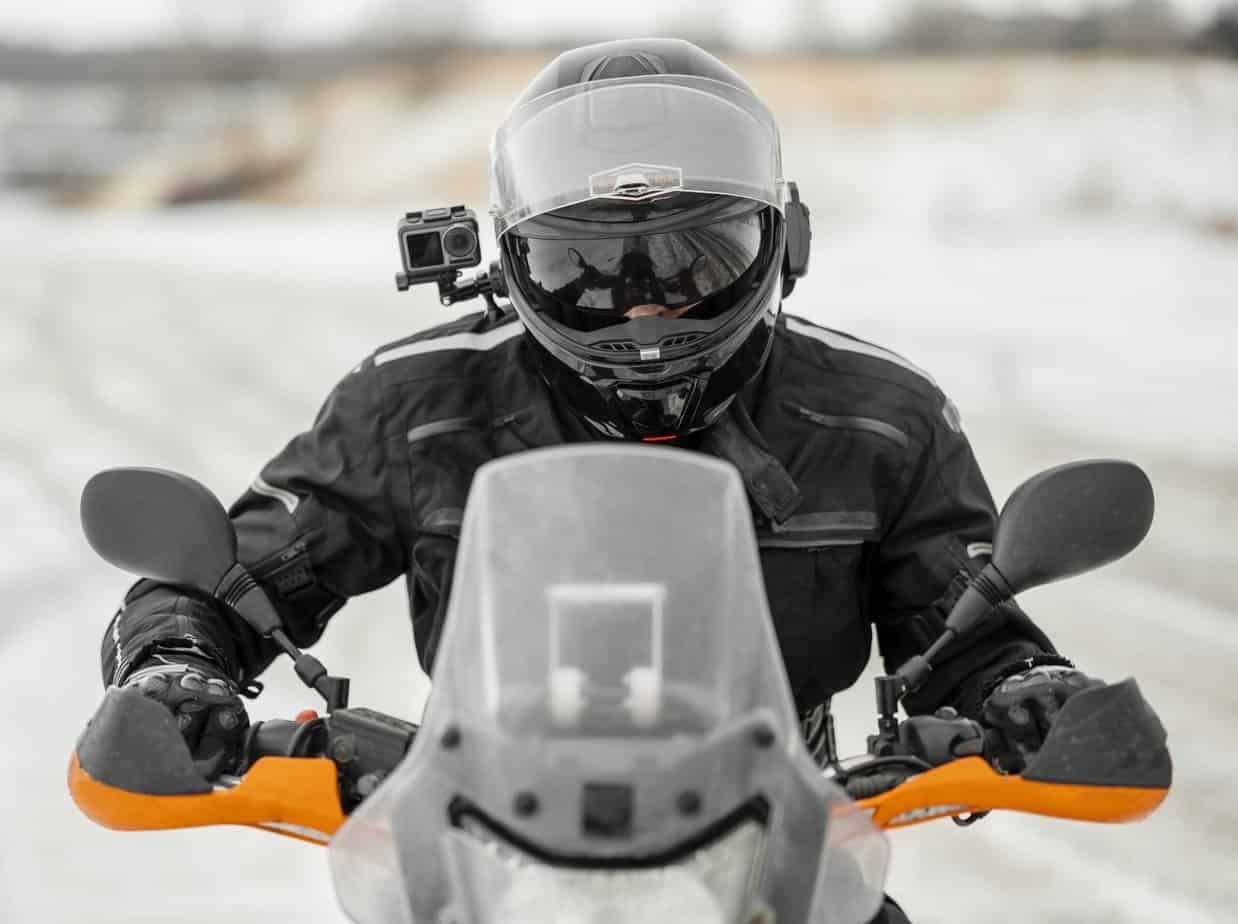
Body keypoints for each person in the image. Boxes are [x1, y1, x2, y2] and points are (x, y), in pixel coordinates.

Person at [102, 39, 1101, 923]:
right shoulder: (422, 402)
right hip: (484, 832)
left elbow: (961, 612)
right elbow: (239, 569)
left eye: (690, 265)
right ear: (508, 261)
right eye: (587, 270)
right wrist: (178, 661)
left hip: (773, 836)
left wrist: (1023, 687)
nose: (642, 314)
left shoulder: (876, 415)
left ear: (776, 241)